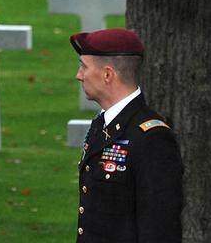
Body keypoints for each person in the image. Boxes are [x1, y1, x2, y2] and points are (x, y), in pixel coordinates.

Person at [72, 28, 183, 242]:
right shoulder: (103, 124)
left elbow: (160, 229)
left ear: (107, 75)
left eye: (84, 67)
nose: (79, 75)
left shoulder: (152, 138)